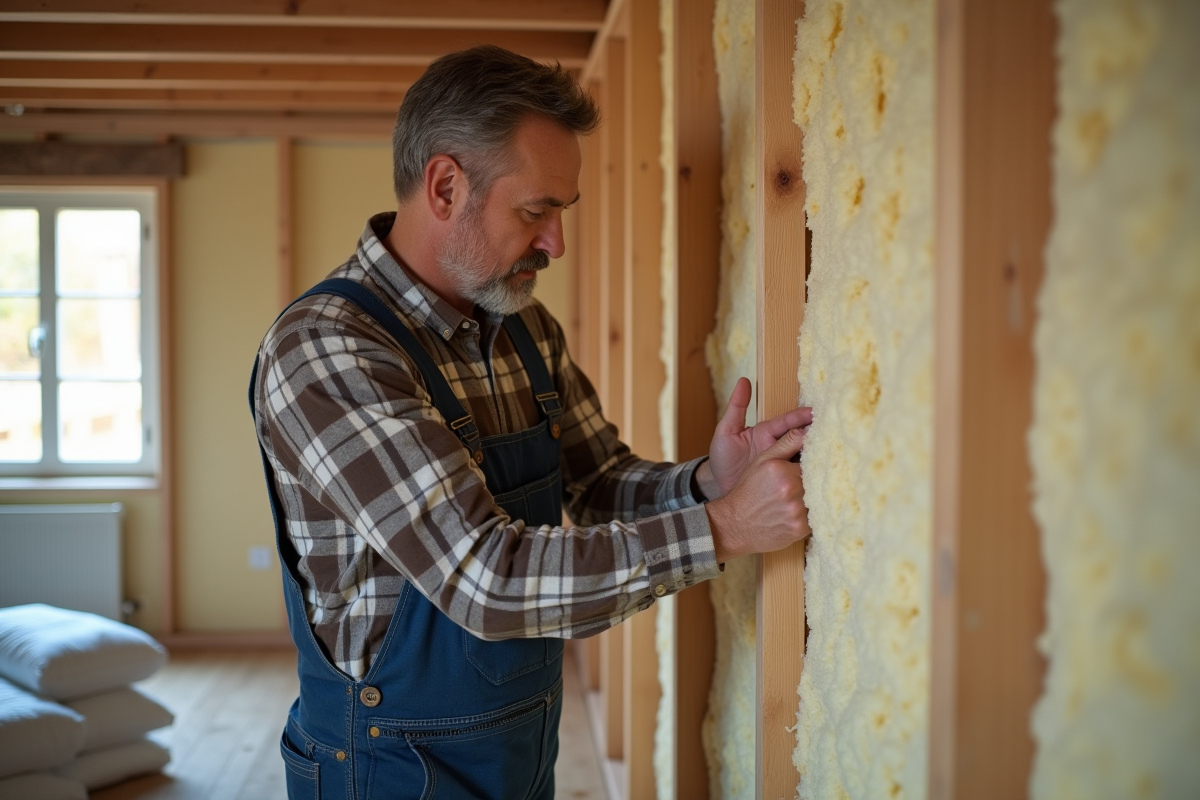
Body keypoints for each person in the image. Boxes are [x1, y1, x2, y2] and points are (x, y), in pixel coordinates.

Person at [249, 44, 812, 800]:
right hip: (388, 769)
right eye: (535, 209)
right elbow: (485, 582)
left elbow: (600, 481)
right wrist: (724, 529)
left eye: (560, 212)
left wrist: (712, 482)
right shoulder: (328, 351)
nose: (556, 243)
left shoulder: (521, 327)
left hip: (519, 743)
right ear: (446, 186)